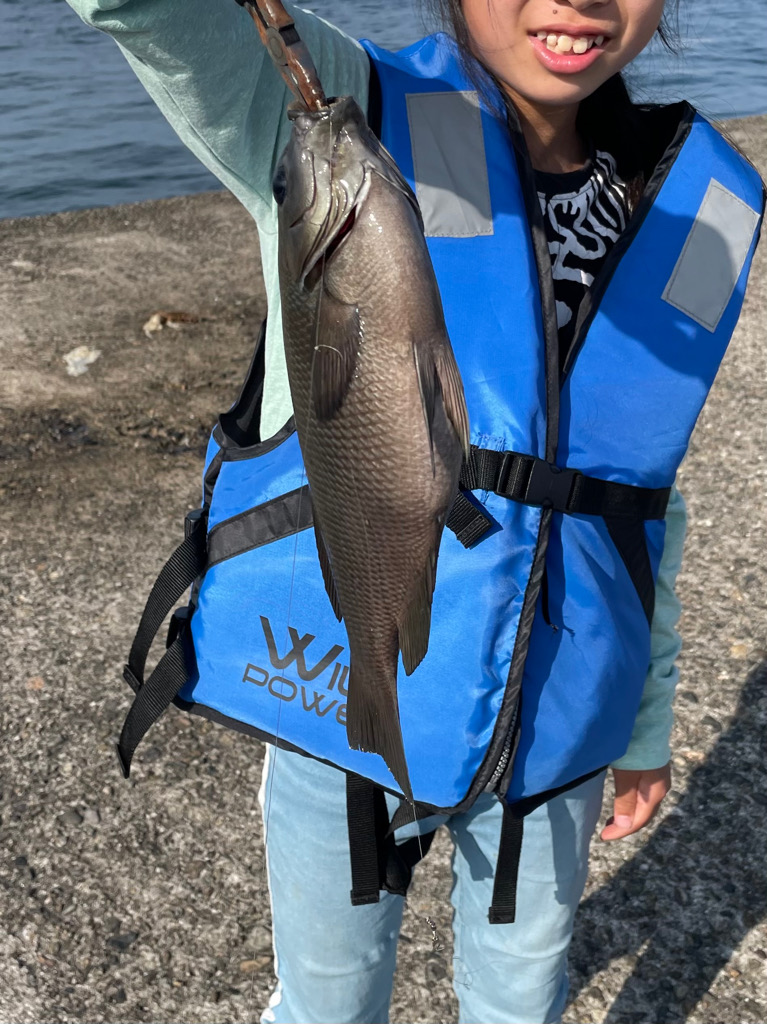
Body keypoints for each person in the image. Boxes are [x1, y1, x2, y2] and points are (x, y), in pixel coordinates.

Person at [64, 0, 763, 1022]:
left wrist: (642, 722)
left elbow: (635, 505)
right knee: (327, 1001)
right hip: (339, 694)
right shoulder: (349, 113)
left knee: (520, 995)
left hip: (558, 720)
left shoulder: (689, 211)